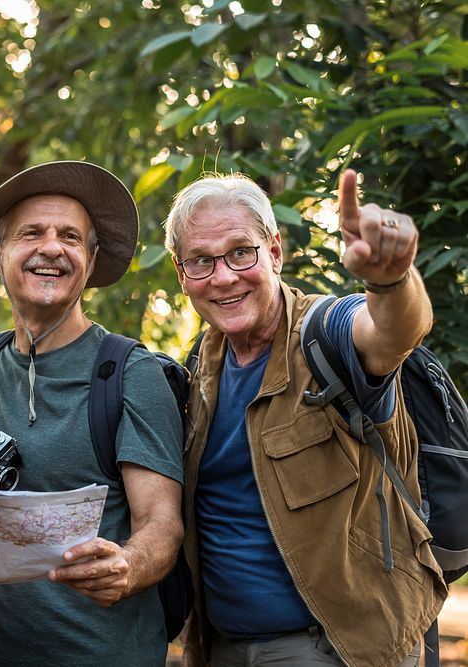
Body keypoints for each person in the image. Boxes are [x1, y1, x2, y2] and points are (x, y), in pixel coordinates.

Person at [164, 170, 447, 666]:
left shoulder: (323, 336)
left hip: (339, 648)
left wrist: (391, 281)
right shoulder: (198, 369)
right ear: (181, 273)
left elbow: (391, 332)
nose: (224, 276)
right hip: (224, 647)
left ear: (274, 252)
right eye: (201, 261)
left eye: (240, 252)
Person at [0, 161, 185, 665]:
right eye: (31, 233)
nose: (51, 247)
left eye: (70, 237)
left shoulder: (130, 372)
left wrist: (128, 565)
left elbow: (161, 523)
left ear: (91, 260)